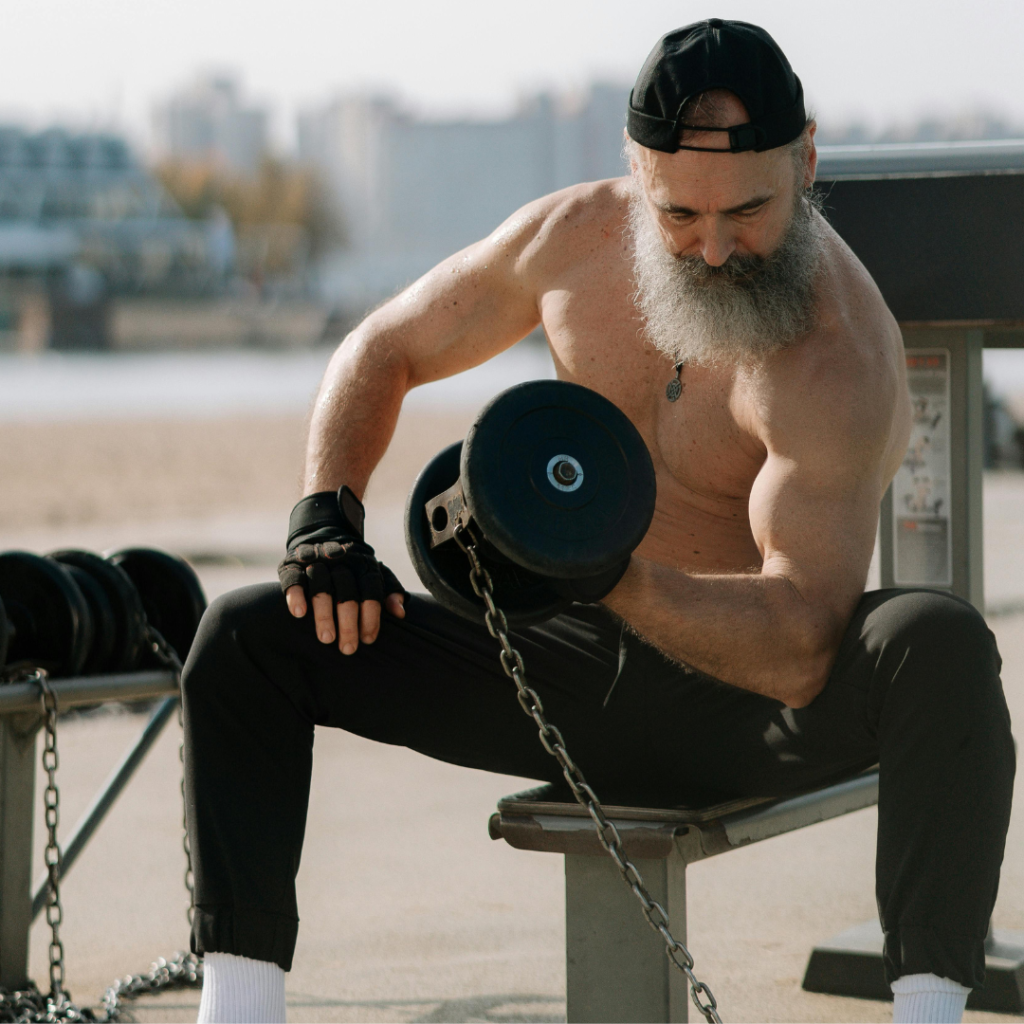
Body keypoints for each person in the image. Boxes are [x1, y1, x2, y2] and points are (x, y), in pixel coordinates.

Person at [182, 20, 1014, 1024]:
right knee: (246, 638)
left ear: (803, 160)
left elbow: (799, 641)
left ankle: (925, 1008)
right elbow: (380, 347)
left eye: (748, 210)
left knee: (938, 640)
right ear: (635, 170)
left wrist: (603, 574)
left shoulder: (834, 348)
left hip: (751, 706)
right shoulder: (568, 242)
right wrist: (326, 519)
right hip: (566, 665)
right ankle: (237, 1008)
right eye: (678, 213)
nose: (713, 248)